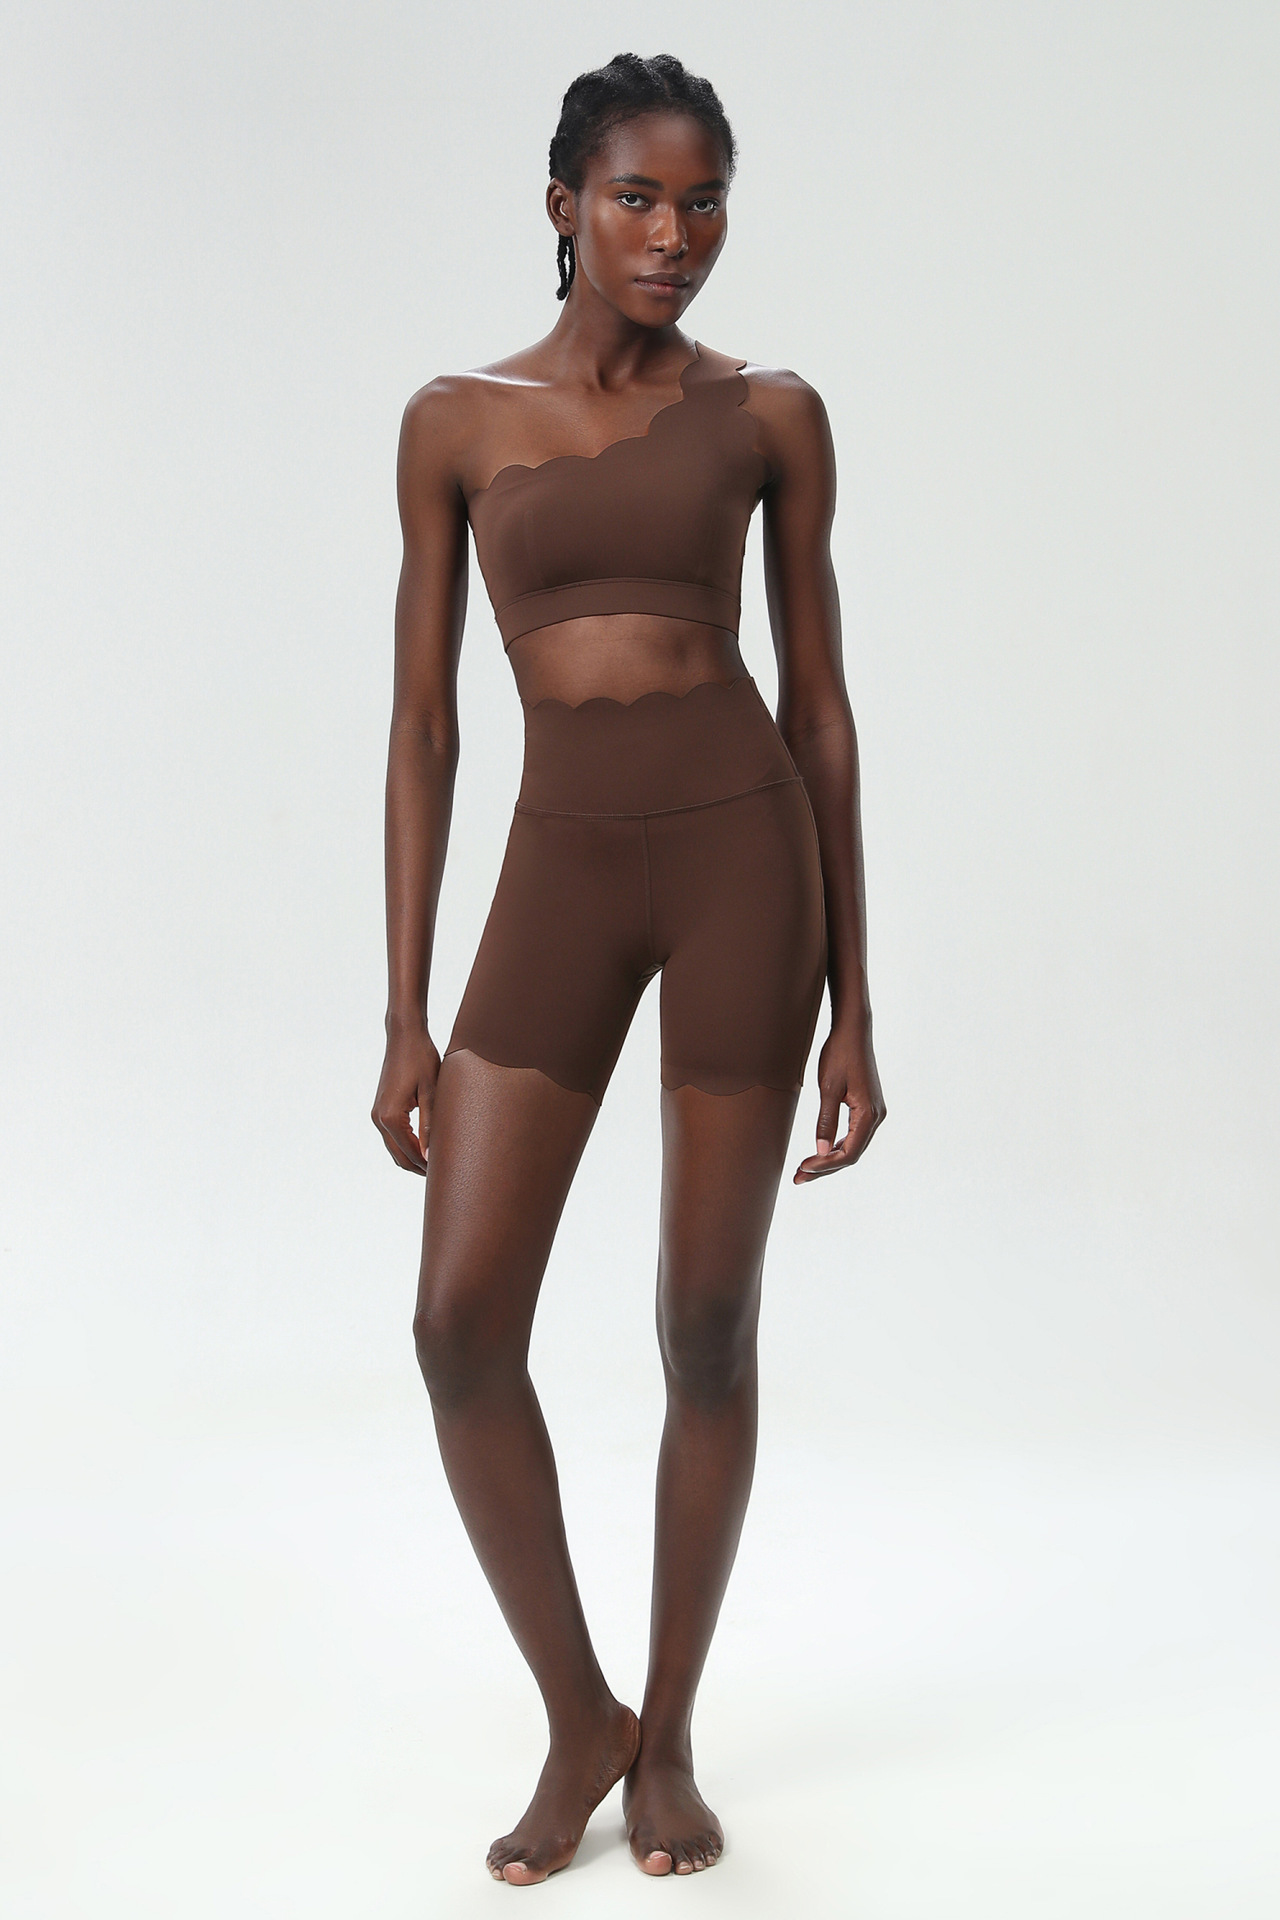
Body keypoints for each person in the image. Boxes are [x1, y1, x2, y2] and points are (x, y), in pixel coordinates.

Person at [371, 51, 886, 1886]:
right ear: (564, 205)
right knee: (458, 1327)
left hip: (746, 863)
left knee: (706, 1324)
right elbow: (425, 726)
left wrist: (859, 1001)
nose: (675, 235)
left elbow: (820, 710)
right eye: (639, 198)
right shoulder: (454, 421)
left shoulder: (771, 413)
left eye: (704, 201)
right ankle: (578, 1714)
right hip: (559, 874)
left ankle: (666, 1740)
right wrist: (404, 1009)